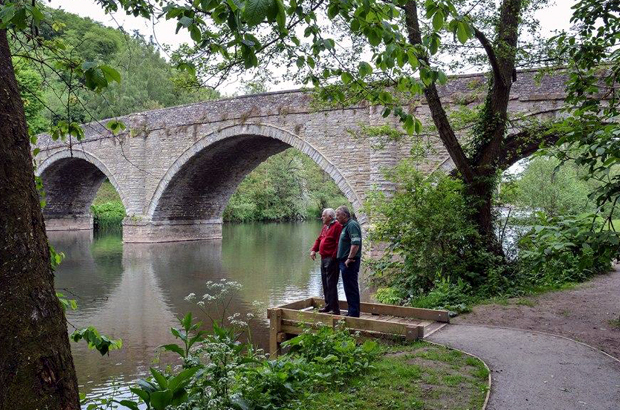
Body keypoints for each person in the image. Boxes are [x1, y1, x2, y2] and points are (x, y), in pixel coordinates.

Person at [310, 208, 343, 314]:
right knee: (325, 283)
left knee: (331, 284)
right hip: (324, 258)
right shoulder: (325, 227)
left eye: (323, 216)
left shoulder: (337, 226)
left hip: (331, 259)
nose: (322, 217)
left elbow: (338, 243)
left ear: (330, 217)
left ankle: (335, 309)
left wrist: (333, 257)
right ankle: (328, 305)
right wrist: (314, 250)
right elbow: (319, 239)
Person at [335, 205, 362, 317]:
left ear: (345, 215)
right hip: (345, 261)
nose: (336, 217)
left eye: (338, 215)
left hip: (350, 262)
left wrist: (350, 258)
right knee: (347, 287)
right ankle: (352, 310)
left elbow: (355, 243)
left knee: (351, 287)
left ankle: (354, 313)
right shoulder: (345, 226)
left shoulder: (352, 225)